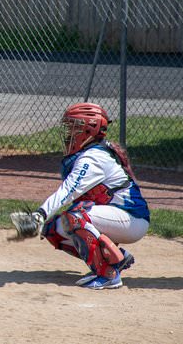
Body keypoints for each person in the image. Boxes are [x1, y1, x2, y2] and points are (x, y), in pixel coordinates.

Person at [31, 102, 150, 290]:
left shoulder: (93, 158)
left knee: (75, 217)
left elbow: (69, 191)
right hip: (117, 216)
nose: (69, 133)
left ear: (88, 130)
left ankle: (108, 274)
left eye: (74, 128)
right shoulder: (91, 152)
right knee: (54, 229)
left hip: (131, 219)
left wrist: (40, 214)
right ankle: (115, 257)